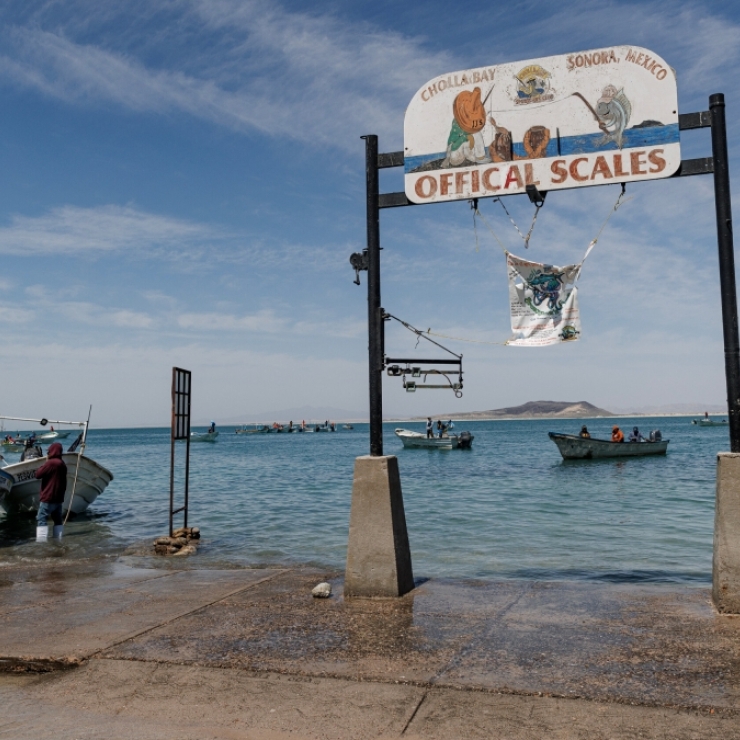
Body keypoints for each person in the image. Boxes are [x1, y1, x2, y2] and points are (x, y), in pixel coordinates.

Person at [34, 441, 67, 542]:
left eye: (48, 451)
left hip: (49, 496)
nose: (48, 453)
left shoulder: (51, 463)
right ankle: (58, 540)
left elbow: (38, 475)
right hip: (58, 498)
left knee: (41, 518)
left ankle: (41, 542)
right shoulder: (62, 464)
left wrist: (45, 462)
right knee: (57, 520)